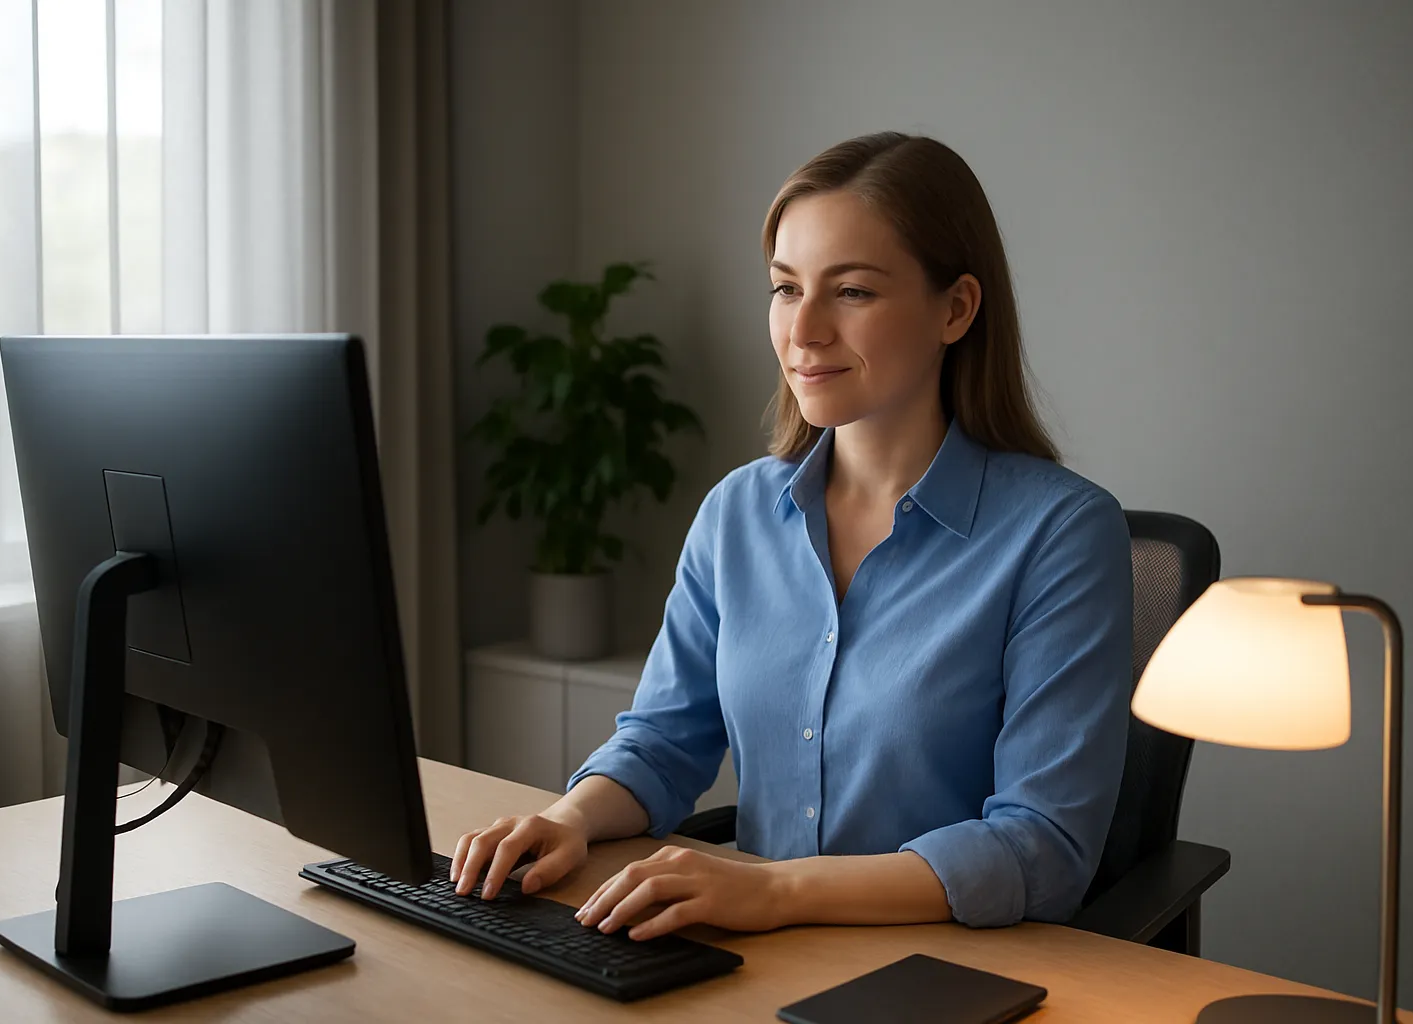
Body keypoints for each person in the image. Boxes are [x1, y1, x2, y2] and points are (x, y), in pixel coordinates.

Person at [451, 132, 1133, 942]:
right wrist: (570, 818)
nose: (802, 331)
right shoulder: (737, 512)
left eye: (851, 293)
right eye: (784, 288)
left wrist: (777, 892)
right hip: (750, 953)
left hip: (944, 972)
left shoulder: (1062, 534)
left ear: (955, 308)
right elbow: (666, 740)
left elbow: (1042, 848)